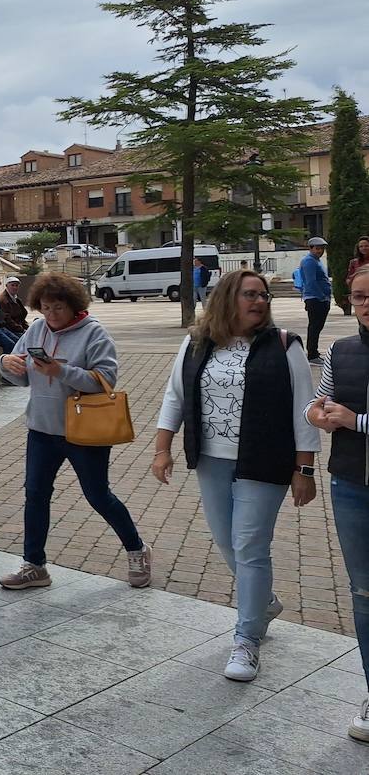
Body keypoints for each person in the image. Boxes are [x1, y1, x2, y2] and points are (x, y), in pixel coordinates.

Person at [151, 270, 318, 682]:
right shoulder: (196, 343)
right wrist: (162, 447)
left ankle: (247, 640)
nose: (259, 301)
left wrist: (305, 469)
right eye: (250, 294)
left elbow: (305, 408)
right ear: (228, 298)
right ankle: (263, 602)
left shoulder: (285, 346)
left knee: (249, 544)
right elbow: (175, 395)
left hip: (265, 461)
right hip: (212, 459)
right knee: (227, 543)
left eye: (263, 295)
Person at [0, 273, 151, 591]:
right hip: (41, 429)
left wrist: (61, 370)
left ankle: (137, 549)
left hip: (84, 432)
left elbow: (106, 379)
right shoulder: (36, 329)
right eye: (45, 308)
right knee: (35, 495)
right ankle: (34, 565)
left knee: (98, 495)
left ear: (73, 305)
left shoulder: (94, 333)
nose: (51, 315)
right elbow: (23, 377)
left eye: (58, 308)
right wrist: (6, 365)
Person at [306, 265, 369, 742]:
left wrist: (355, 421)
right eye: (357, 296)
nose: (364, 303)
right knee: (364, 595)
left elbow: (350, 417)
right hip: (350, 484)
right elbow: (319, 399)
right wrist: (316, 412)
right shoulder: (340, 350)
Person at [300, 237, 333, 363]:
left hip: (320, 299)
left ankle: (314, 352)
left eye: (322, 249)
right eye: (317, 248)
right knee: (314, 327)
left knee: (317, 327)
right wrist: (322, 297)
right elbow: (311, 281)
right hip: (316, 299)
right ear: (311, 248)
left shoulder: (316, 261)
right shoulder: (309, 261)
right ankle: (312, 354)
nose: (320, 251)